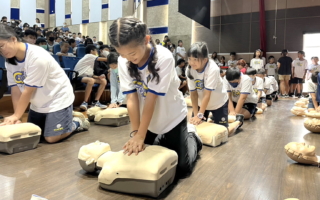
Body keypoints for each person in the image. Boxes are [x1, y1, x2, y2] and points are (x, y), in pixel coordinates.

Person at [108, 17, 202, 177]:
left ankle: (191, 135)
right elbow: (132, 99)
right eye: (121, 54)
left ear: (146, 40)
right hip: (149, 121)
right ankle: (161, 139)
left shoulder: (163, 58)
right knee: (142, 158)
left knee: (182, 168)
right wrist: (136, 133)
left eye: (132, 53)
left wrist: (141, 136)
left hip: (172, 116)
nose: (127, 58)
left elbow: (151, 99)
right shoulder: (123, 61)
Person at [0, 24, 89, 143]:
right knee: (35, 134)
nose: (1, 51)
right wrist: (18, 118)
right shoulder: (10, 60)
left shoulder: (37, 57)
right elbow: (16, 89)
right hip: (38, 103)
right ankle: (64, 118)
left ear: (13, 39)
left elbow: (27, 91)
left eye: (1, 46)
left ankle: (77, 122)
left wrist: (15, 116)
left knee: (51, 138)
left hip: (57, 99)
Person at [186, 42, 244, 136]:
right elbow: (193, 94)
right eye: (189, 59)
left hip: (218, 103)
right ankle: (212, 118)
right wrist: (196, 114)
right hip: (202, 103)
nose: (191, 62)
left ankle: (238, 121)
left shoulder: (213, 69)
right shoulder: (189, 69)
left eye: (195, 59)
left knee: (223, 133)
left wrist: (200, 116)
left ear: (205, 60)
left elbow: (207, 95)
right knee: (193, 129)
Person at [74, 45, 108, 110]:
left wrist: (98, 77)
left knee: (103, 81)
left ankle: (96, 102)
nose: (96, 52)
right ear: (91, 51)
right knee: (91, 80)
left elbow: (91, 75)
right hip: (78, 77)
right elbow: (106, 59)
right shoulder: (89, 56)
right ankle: (85, 102)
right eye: (96, 51)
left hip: (87, 77)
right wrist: (107, 54)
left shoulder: (90, 61)